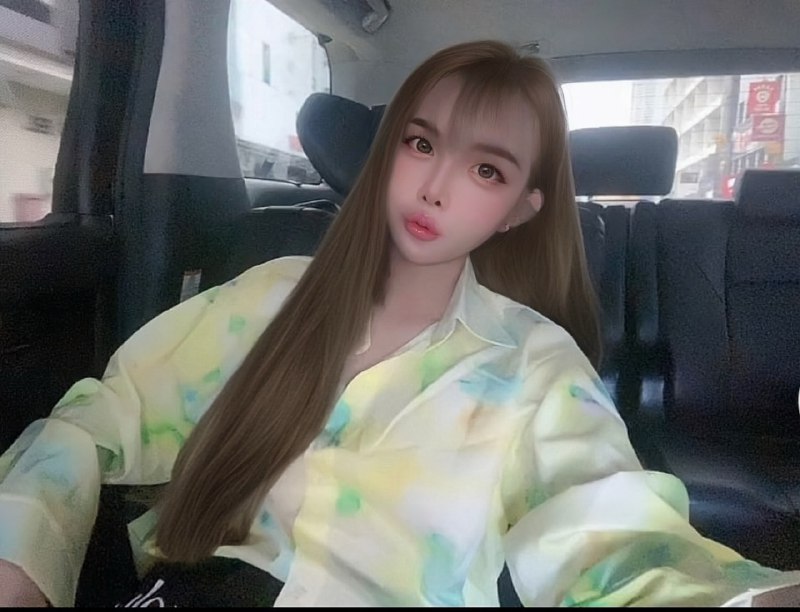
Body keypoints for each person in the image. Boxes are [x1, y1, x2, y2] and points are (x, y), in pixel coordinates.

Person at [0, 40, 798, 608]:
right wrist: (21, 562)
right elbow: (95, 423)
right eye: (421, 142)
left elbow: (609, 537)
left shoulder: (534, 363)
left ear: (518, 210)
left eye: (485, 168)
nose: (437, 185)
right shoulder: (265, 298)